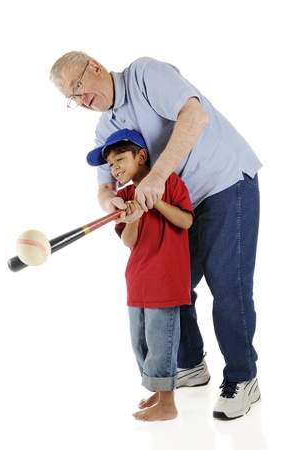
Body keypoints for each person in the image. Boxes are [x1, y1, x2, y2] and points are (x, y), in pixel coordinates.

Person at [50, 52, 262, 420]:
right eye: (72, 98)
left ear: (95, 67)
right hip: (181, 202)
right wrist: (115, 203)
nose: (81, 100)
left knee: (228, 285)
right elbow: (104, 190)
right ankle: (192, 364)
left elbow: (195, 115)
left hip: (224, 183)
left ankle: (243, 378)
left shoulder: (145, 75)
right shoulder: (105, 129)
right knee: (173, 287)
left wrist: (156, 178)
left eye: (79, 87)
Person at [88, 128, 194, 422]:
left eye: (120, 158)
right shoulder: (122, 198)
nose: (115, 168)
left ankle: (168, 403)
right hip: (137, 280)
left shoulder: (168, 182)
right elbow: (128, 241)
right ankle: (158, 392)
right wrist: (132, 217)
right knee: (141, 343)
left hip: (166, 278)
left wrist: (155, 201)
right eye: (110, 164)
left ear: (141, 156)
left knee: (162, 341)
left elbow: (185, 220)